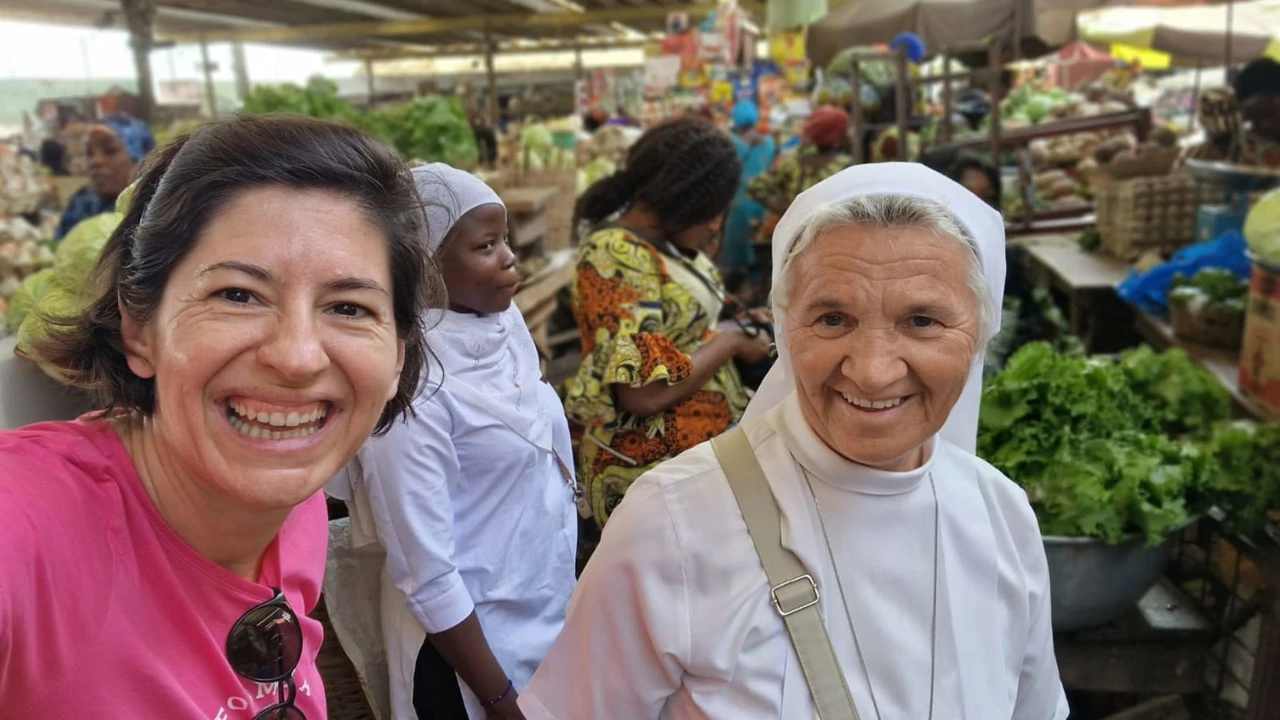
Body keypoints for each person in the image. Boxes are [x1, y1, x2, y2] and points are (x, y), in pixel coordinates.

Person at [519, 163, 1069, 719]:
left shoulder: (1001, 518)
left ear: (980, 331)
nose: (874, 371)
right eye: (832, 318)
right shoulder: (674, 522)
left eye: (922, 320)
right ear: (784, 327)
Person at [0, 114, 438, 719]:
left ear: (397, 357)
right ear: (139, 328)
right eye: (237, 295)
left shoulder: (295, 513)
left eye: (348, 306)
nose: (296, 356)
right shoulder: (28, 526)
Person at [328, 163, 578, 720]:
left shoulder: (501, 325)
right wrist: (499, 700)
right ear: (423, 265)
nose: (509, 258)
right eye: (485, 245)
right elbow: (428, 573)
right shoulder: (410, 396)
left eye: (505, 239)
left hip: (542, 610)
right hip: (470, 661)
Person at [564, 117, 771, 531]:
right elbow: (644, 393)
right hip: (652, 474)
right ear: (682, 199)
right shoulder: (615, 256)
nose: (716, 224)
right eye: (711, 210)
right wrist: (730, 343)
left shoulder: (666, 245)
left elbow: (676, 333)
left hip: (696, 457)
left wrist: (727, 322)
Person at [55, 114, 155, 241]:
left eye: (110, 151)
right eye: (89, 153)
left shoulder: (159, 209)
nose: (95, 161)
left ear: (140, 158)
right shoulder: (81, 204)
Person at [748, 105, 852, 218]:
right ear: (835, 135)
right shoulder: (844, 167)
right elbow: (756, 186)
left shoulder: (794, 161)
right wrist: (787, 210)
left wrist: (788, 211)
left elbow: (756, 186)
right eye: (844, 131)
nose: (848, 134)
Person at [720, 100, 776, 300]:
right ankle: (756, 292)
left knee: (736, 254)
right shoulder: (768, 142)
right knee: (759, 251)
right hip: (761, 204)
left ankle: (734, 297)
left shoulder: (730, 143)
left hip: (737, 204)